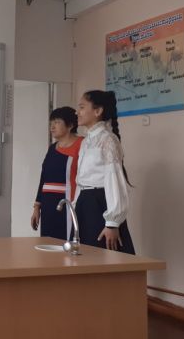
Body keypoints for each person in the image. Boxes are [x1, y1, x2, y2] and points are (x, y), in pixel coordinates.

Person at [74, 90, 135, 254]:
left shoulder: (108, 139)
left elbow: (114, 180)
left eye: (82, 107)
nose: (77, 112)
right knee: (84, 256)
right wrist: (75, 205)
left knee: (105, 256)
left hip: (100, 204)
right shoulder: (86, 141)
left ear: (98, 111)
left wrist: (112, 223)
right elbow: (81, 180)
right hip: (85, 203)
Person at [31, 107, 83, 240]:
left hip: (70, 204)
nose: (52, 127)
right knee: (48, 244)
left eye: (57, 122)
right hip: (48, 206)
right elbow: (43, 178)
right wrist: (37, 207)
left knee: (68, 243)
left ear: (70, 125)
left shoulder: (82, 144)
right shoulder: (52, 148)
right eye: (51, 123)